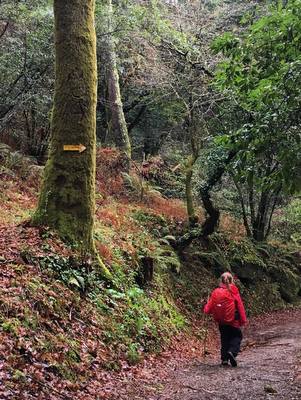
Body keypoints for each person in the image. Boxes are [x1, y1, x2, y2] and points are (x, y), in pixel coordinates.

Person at [204, 272, 247, 367]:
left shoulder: (216, 292)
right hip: (233, 321)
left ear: (221, 280)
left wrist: (206, 309)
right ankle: (232, 352)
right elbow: (240, 306)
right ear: (232, 280)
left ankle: (224, 359)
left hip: (221, 321)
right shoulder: (234, 291)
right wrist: (243, 320)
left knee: (224, 338)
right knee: (237, 336)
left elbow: (209, 307)